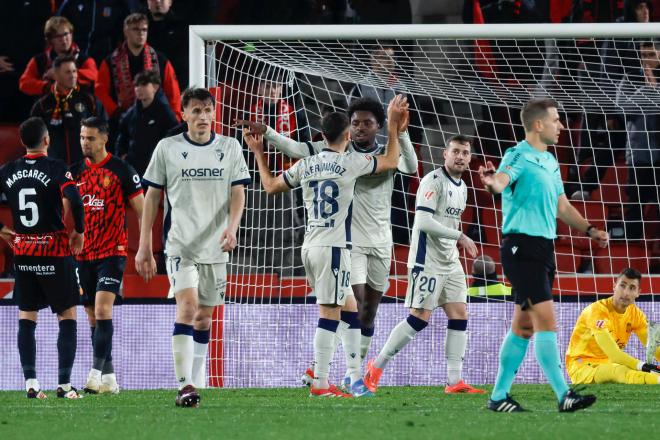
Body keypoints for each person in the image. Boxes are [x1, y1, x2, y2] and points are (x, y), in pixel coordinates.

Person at [236, 95, 417, 388]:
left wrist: (401, 132)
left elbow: (409, 166)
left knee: (365, 311)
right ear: (347, 130)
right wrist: (268, 132)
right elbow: (294, 147)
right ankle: (337, 377)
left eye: (366, 123)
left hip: (379, 241)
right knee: (348, 306)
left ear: (377, 127)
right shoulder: (349, 158)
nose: (359, 128)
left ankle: (346, 373)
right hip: (346, 242)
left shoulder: (365, 154)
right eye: (355, 123)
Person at [478, 97, 610, 412]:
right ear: (539, 124)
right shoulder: (517, 155)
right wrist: (491, 182)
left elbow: (562, 205)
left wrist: (590, 230)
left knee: (524, 326)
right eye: (556, 119)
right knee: (546, 322)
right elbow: (501, 180)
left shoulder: (550, 161)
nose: (561, 125)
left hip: (543, 248)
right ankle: (564, 394)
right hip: (521, 248)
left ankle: (498, 397)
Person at [136, 88, 251, 408]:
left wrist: (232, 227)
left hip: (215, 248)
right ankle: (184, 384)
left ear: (215, 113)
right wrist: (145, 245)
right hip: (180, 246)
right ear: (183, 114)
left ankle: (197, 380)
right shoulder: (167, 148)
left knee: (204, 318)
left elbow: (239, 191)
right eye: (195, 111)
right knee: (187, 308)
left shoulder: (229, 147)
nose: (202, 116)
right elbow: (152, 197)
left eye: (207, 110)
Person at [363, 135, 484, 394]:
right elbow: (423, 223)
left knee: (459, 313)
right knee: (420, 317)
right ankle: (376, 367)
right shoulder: (433, 181)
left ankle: (454, 381)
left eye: (465, 152)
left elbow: (448, 223)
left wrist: (455, 239)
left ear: (470, 158)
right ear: (445, 154)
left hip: (450, 260)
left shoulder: (462, 186)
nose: (460, 156)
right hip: (426, 260)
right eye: (456, 151)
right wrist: (459, 236)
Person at [0, 117, 85, 399]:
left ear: (22, 142)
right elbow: (74, 197)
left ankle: (31, 384)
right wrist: (80, 231)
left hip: (23, 254)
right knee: (67, 315)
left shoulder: (8, 169)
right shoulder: (57, 168)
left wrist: (1, 229)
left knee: (27, 316)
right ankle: (64, 384)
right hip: (54, 252)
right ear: (47, 140)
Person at [70, 117, 144, 395]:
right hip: (83, 255)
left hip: (112, 252)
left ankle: (94, 374)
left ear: (104, 139)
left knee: (103, 310)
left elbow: (143, 208)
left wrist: (145, 246)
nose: (84, 143)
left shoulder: (121, 170)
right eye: (81, 137)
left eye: (90, 138)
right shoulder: (74, 172)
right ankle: (110, 380)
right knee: (92, 316)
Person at [566, 267, 660, 385]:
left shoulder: (636, 314)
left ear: (638, 293)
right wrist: (646, 367)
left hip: (607, 364)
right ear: (614, 286)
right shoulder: (597, 311)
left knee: (632, 371)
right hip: (581, 365)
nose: (626, 292)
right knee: (620, 371)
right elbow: (615, 355)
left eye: (632, 288)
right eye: (622, 285)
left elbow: (653, 347)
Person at [95, 12, 181, 122]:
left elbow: (173, 93)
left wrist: (175, 119)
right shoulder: (110, 61)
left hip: (156, 120)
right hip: (120, 121)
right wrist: (115, 112)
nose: (141, 33)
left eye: (144, 30)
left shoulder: (160, 60)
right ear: (126, 32)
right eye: (135, 29)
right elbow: (100, 91)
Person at [30, 55, 107, 165]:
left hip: (85, 168)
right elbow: (33, 141)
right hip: (54, 170)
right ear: (56, 75)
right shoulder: (43, 105)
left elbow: (104, 130)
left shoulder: (89, 100)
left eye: (74, 71)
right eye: (68, 72)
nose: (73, 76)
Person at [116, 69, 178, 176]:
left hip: (156, 170)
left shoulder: (164, 112)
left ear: (155, 87)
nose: (138, 88)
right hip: (133, 170)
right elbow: (122, 137)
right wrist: (122, 156)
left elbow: (174, 137)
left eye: (144, 84)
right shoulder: (131, 113)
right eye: (136, 85)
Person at [19, 16, 97, 97]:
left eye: (66, 34)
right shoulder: (39, 60)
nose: (63, 39)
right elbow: (24, 83)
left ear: (71, 34)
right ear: (50, 40)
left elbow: (95, 76)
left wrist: (65, 73)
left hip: (78, 104)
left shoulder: (85, 59)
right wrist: (47, 87)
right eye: (58, 36)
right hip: (48, 104)